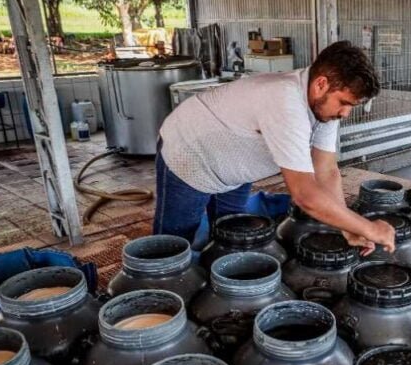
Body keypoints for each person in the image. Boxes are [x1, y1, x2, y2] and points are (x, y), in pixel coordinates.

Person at [153, 41, 394, 254]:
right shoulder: (285, 100)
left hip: (233, 167)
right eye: (344, 103)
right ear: (321, 84)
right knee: (173, 245)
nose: (345, 113)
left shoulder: (323, 109)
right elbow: (304, 195)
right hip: (190, 153)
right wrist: (368, 228)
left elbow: (327, 172)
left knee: (233, 235)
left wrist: (347, 227)